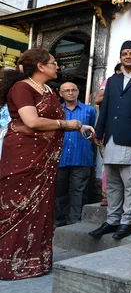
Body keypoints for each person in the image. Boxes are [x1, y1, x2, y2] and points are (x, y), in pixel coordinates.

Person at [0, 49, 94, 280]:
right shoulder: (22, 88)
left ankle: (35, 261)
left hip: (45, 161)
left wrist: (79, 126)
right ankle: (10, 263)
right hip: (23, 157)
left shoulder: (49, 91)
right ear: (40, 66)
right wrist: (66, 124)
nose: (57, 66)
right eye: (53, 62)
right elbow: (32, 121)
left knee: (40, 208)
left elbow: (54, 120)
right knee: (17, 206)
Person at [89, 41, 131, 240]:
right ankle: (112, 220)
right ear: (120, 57)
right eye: (124, 53)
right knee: (113, 184)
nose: (128, 56)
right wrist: (99, 133)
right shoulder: (112, 81)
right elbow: (105, 108)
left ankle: (126, 222)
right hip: (112, 138)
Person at [54, 82, 97, 226]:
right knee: (59, 192)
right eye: (67, 90)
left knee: (79, 191)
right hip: (60, 158)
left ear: (78, 91)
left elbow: (93, 132)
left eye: (73, 90)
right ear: (61, 93)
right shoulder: (56, 110)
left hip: (82, 156)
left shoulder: (89, 110)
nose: (70, 93)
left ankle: (75, 222)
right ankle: (59, 221)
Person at [95, 62, 122, 207]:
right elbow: (98, 99)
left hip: (125, 130)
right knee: (108, 164)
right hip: (108, 129)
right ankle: (106, 195)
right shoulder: (109, 83)